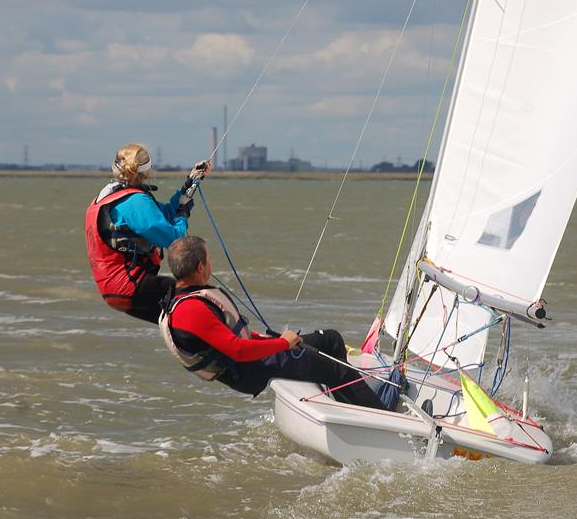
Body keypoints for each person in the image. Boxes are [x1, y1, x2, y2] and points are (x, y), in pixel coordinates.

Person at [158, 236, 389, 410]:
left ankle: (350, 409)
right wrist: (282, 344)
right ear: (200, 267)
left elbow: (230, 336)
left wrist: (273, 339)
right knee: (337, 371)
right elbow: (237, 350)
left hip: (252, 360)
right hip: (250, 370)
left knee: (330, 339)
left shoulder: (187, 296)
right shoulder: (191, 310)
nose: (212, 263)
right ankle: (386, 421)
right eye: (209, 259)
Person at [85, 143, 211, 324]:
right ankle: (234, 345)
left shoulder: (109, 196)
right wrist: (183, 213)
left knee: (181, 320)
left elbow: (164, 214)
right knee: (202, 297)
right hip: (130, 287)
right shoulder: (134, 201)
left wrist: (188, 185)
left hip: (113, 290)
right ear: (146, 172)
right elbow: (175, 240)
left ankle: (201, 346)